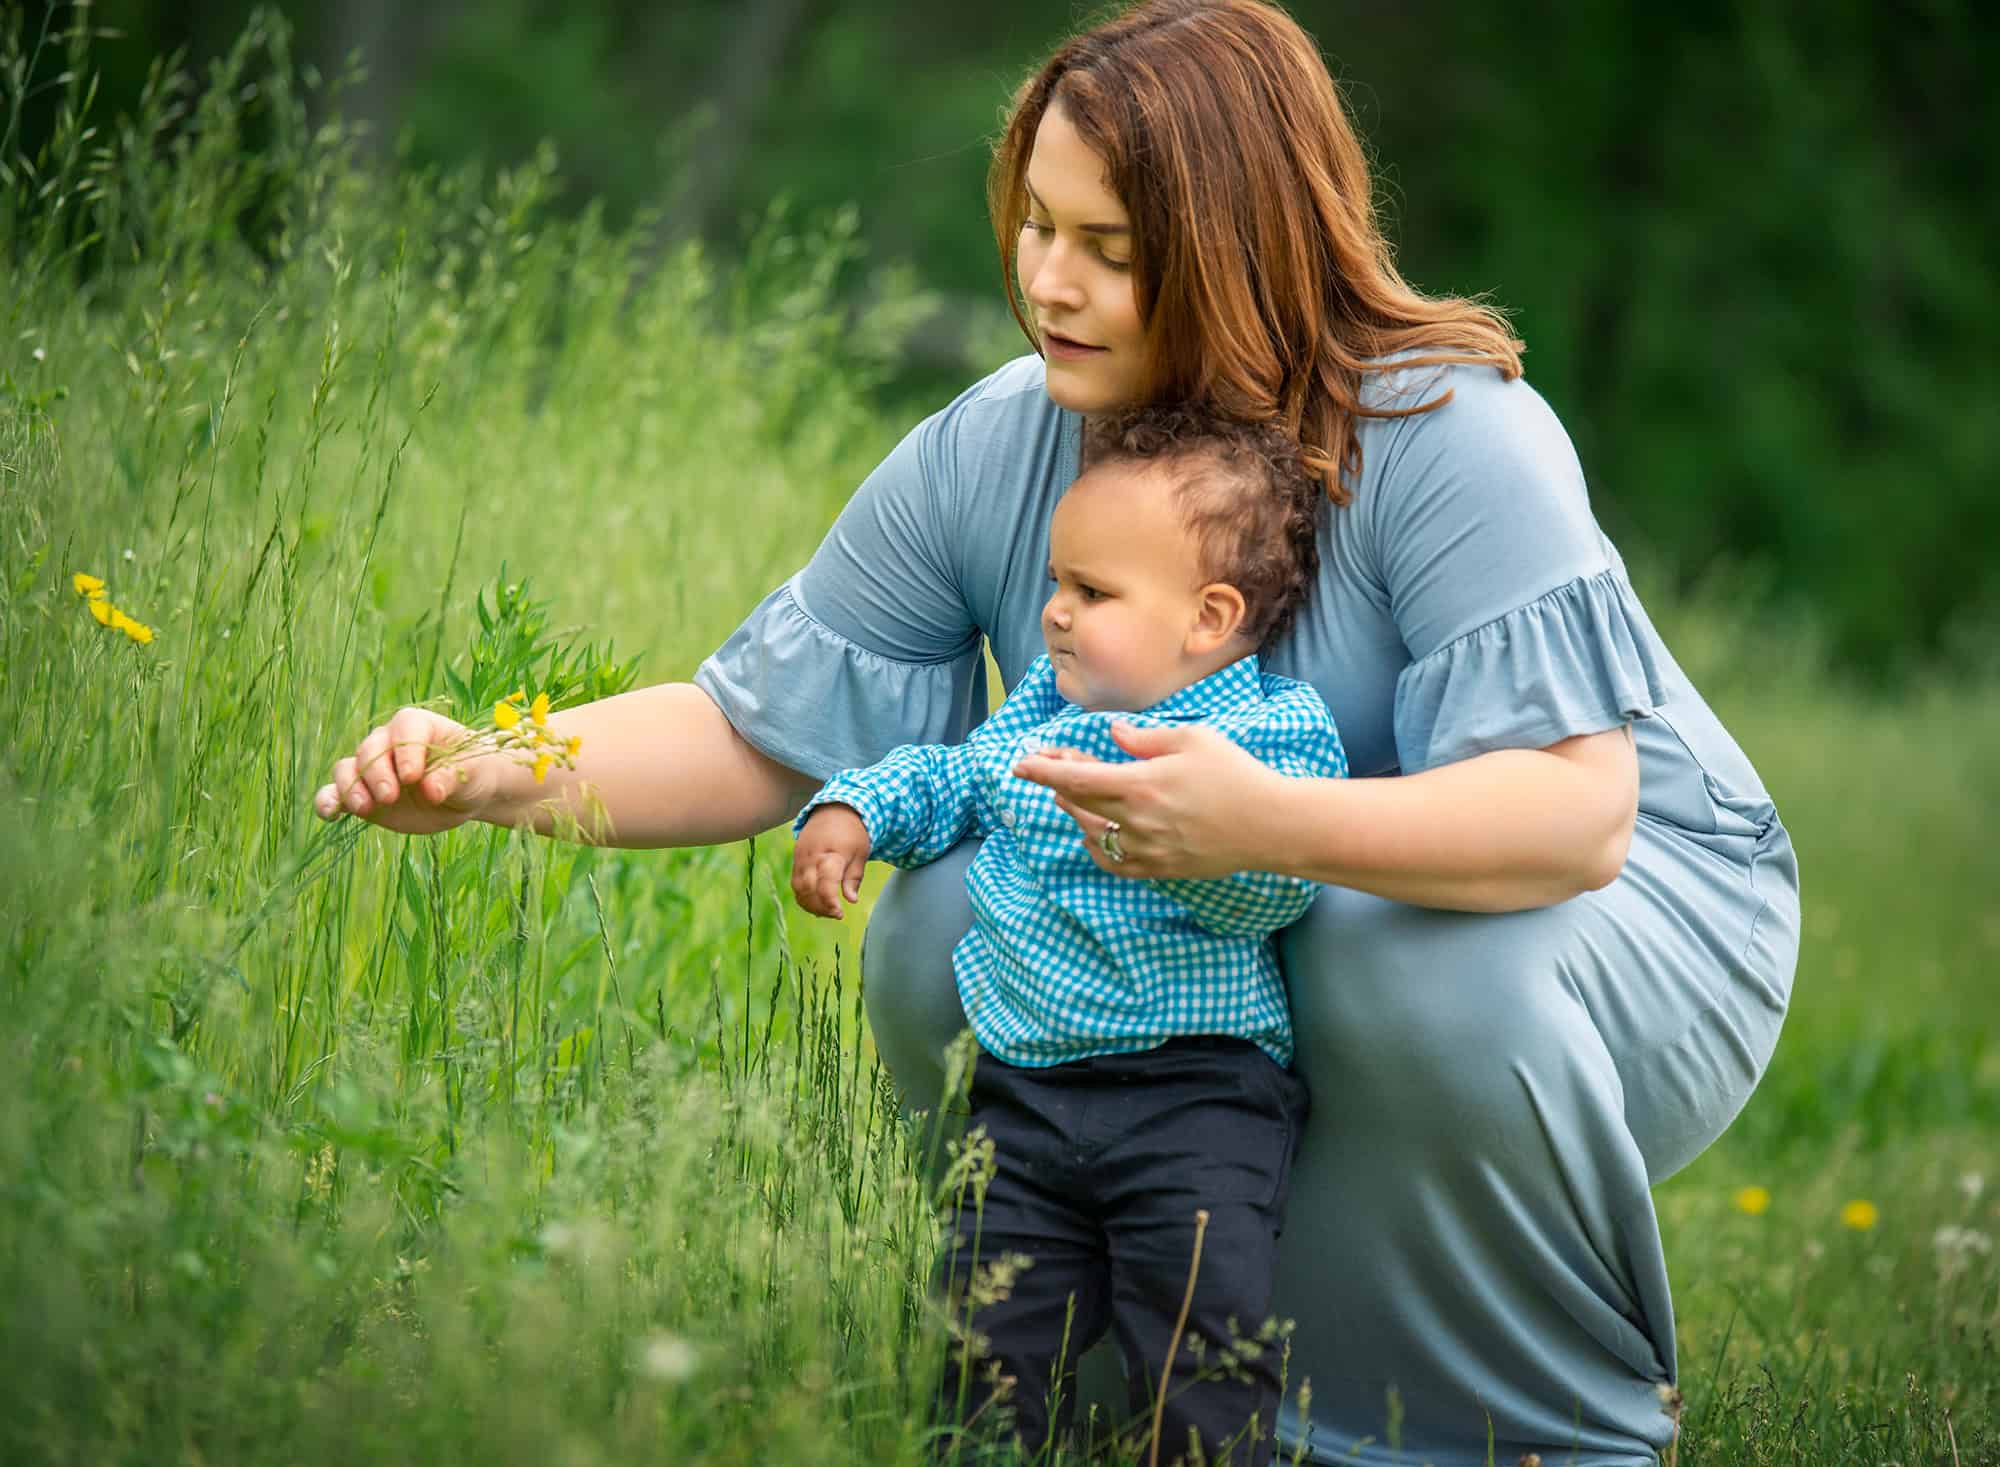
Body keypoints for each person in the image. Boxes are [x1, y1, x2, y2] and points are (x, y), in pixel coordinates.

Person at [313, 2, 1801, 1462]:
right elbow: (754, 727)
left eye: (1110, 249)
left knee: (1365, 944)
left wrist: (1267, 825)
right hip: (1287, 906)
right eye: (1036, 225)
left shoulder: (1448, 432)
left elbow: (1577, 817)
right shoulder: (1004, 437)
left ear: (1241, 245)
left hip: (1633, 911)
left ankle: (1522, 1427)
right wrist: (503, 765)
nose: (1048, 284)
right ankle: (1105, 1380)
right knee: (949, 907)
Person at [790, 404, 1344, 1463]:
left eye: (1089, 592)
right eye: (1055, 581)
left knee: (1197, 1338)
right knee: (985, 1338)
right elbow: (950, 775)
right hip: (1027, 1098)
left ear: (1207, 615)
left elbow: (1282, 889)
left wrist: (1185, 840)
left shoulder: (1266, 732)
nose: (1051, 613)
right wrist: (854, 809)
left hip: (1196, 1098)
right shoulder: (1042, 713)